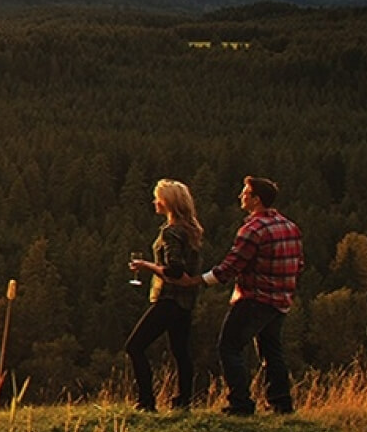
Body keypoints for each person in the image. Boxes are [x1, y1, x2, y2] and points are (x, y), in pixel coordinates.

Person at [172, 176, 303, 415]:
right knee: (272, 351)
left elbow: (230, 267)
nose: (240, 196)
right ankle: (281, 403)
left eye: (245, 193)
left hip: (255, 298)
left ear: (256, 200)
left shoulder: (253, 230)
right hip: (281, 300)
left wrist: (197, 280)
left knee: (229, 347)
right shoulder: (289, 226)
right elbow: (298, 263)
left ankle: (241, 403)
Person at [125, 180, 204, 413]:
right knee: (181, 351)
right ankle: (183, 401)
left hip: (169, 299)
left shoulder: (171, 232)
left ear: (168, 202)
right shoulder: (192, 231)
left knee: (135, 346)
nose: (154, 202)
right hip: (187, 301)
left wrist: (146, 265)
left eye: (158, 198)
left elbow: (174, 269)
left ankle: (146, 402)